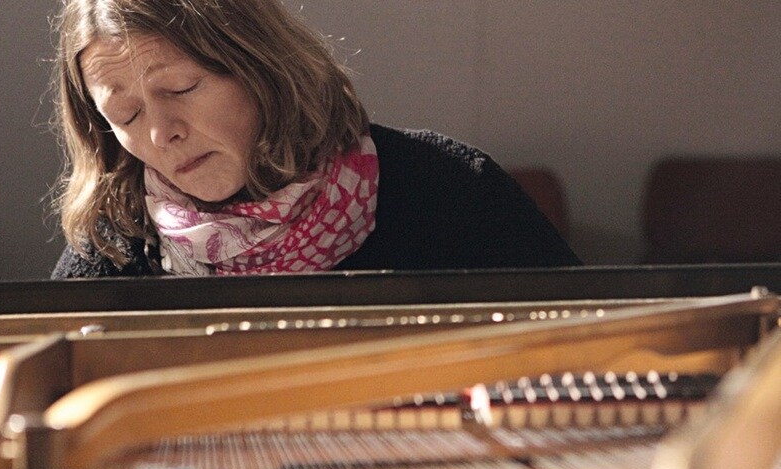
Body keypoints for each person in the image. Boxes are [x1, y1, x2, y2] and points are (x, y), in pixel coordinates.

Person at [49, 0, 581, 278]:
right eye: (125, 115)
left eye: (183, 88)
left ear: (262, 68)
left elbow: (589, 354)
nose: (161, 133)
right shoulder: (116, 239)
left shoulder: (449, 188)